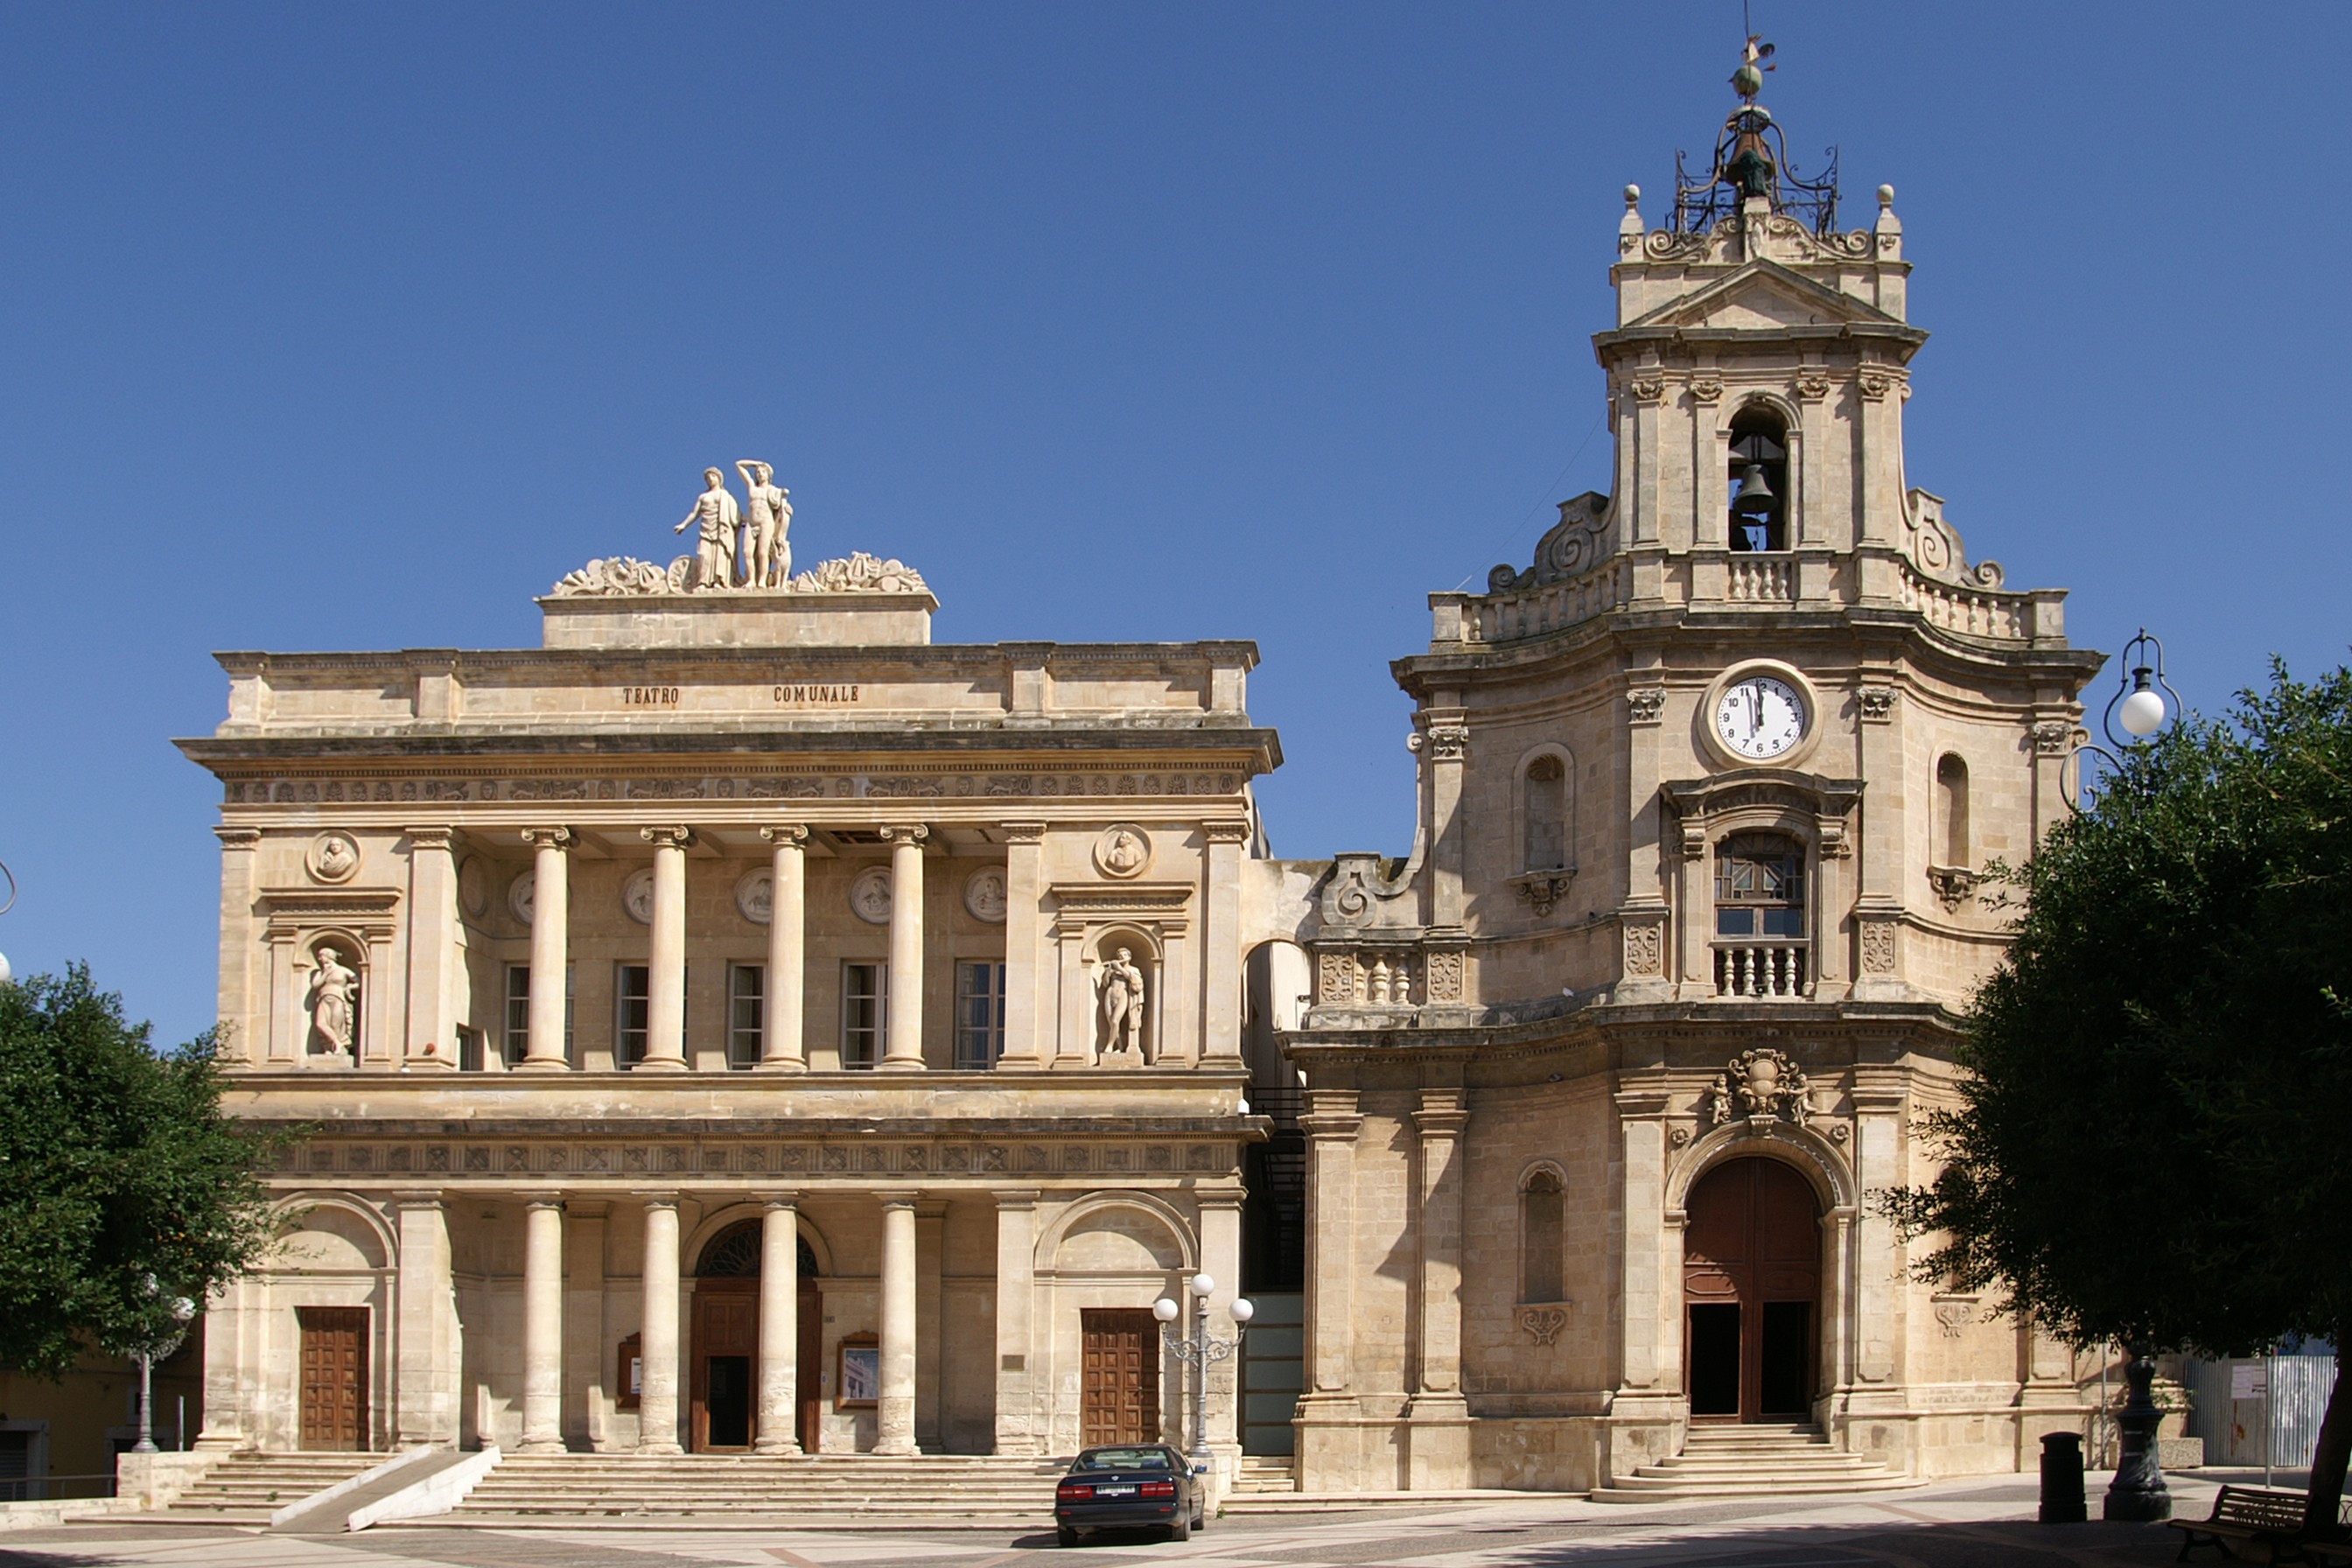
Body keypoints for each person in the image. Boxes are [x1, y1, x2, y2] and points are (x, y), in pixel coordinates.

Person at [673, 467, 742, 589]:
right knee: (704, 555)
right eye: (708, 478)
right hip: (706, 529)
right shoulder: (703, 497)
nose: (710, 479)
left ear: (719, 479)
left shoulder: (725, 496)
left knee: (721, 554)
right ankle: (703, 582)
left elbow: (737, 516)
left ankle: (719, 581)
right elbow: (694, 513)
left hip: (722, 529)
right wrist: (683, 524)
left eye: (713, 476)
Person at [737, 460, 792, 587]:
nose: (760, 474)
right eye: (758, 472)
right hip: (752, 522)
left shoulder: (774, 490)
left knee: (763, 552)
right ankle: (751, 580)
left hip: (765, 521)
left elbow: (782, 507)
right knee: (747, 552)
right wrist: (756, 464)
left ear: (768, 475)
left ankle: (762, 580)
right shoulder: (752, 487)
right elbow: (739, 465)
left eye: (763, 472)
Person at [308, 947, 358, 1056]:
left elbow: (357, 980)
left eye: (321, 956)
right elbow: (315, 984)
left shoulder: (342, 970)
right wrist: (325, 973)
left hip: (338, 997)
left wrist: (349, 988)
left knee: (335, 1024)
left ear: (328, 956)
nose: (319, 958)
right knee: (320, 1024)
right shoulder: (320, 972)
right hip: (323, 998)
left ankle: (333, 1048)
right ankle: (336, 1043)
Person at [1100, 948, 1145, 1057]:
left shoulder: (1133, 969)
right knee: (1111, 1022)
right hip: (1110, 993)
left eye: (1123, 955)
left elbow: (1136, 982)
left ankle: (1109, 1045)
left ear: (1129, 957)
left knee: (1115, 1020)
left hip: (1123, 994)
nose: (1121, 957)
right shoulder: (1113, 970)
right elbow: (1105, 984)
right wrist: (1107, 972)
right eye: (1119, 956)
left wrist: (1119, 968)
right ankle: (1120, 1047)